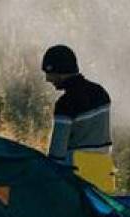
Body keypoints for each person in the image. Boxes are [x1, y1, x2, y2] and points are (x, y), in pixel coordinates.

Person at [42, 44, 115, 190]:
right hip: (104, 172)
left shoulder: (66, 104)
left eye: (49, 73)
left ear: (61, 72)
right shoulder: (101, 93)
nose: (48, 79)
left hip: (77, 177)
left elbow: (57, 154)